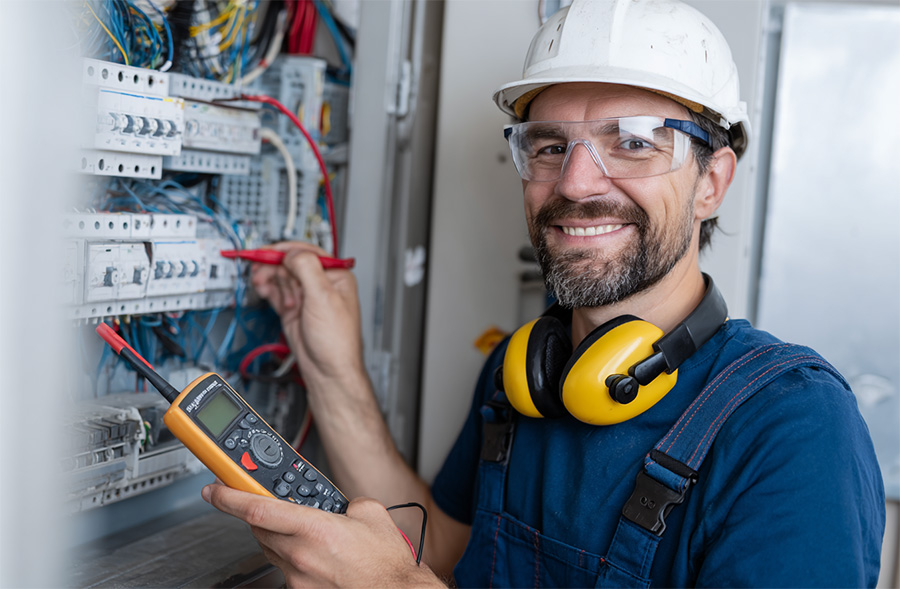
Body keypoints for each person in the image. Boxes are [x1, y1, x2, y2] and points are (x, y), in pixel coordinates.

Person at [202, 0, 886, 585]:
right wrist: (332, 367)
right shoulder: (520, 374)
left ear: (712, 182)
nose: (576, 184)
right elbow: (437, 549)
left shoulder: (794, 428)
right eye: (550, 146)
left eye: (634, 143)